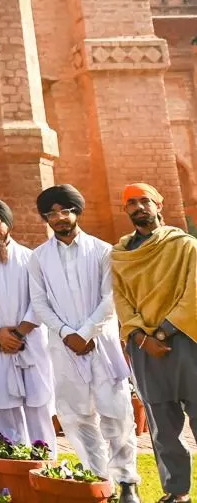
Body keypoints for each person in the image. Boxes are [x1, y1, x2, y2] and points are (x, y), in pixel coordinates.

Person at [31, 185, 141, 503]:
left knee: (116, 412)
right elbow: (39, 303)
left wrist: (86, 332)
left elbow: (111, 298)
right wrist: (67, 333)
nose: (59, 218)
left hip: (101, 345)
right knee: (75, 415)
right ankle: (97, 476)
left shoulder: (103, 250)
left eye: (65, 211)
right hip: (63, 346)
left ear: (76, 212)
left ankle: (127, 482)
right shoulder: (39, 258)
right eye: (52, 214)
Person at [111, 183, 197, 503]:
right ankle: (177, 492)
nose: (138, 207)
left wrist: (160, 334)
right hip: (144, 348)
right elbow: (120, 300)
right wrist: (139, 337)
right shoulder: (121, 255)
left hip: (186, 341)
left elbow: (194, 293)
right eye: (130, 203)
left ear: (159, 205)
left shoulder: (184, 246)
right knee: (161, 425)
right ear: (126, 211)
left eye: (144, 201)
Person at [0, 199, 55, 453]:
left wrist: (18, 333)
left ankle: (44, 458)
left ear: (8, 223)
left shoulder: (31, 258)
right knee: (3, 405)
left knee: (37, 403)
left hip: (28, 341)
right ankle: (13, 457)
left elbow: (39, 301)